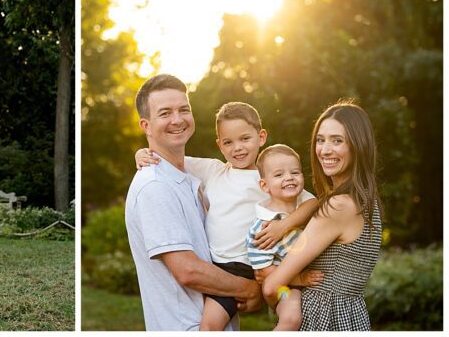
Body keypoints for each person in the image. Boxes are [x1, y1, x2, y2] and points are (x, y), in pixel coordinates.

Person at [134, 102, 320, 330]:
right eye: (228, 142)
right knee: (210, 327)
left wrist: (284, 226)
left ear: (261, 137)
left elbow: (311, 203)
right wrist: (142, 153)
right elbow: (168, 159)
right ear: (219, 145)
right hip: (222, 270)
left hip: (263, 268)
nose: (237, 148)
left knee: (291, 318)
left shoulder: (272, 178)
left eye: (245, 139)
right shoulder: (214, 170)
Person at [124, 74, 262, 331]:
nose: (177, 120)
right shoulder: (155, 186)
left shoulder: (188, 176)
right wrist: (251, 289)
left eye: (183, 109)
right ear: (145, 125)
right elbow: (187, 270)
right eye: (165, 113)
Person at [263, 101, 383, 331]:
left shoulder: (338, 206)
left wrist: (277, 304)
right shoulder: (367, 201)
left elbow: (272, 286)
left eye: (337, 140)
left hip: (322, 318)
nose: (325, 150)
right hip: (351, 317)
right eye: (321, 140)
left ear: (358, 145)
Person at [245, 144, 315, 330]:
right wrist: (301, 279)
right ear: (264, 185)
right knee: (291, 319)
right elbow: (264, 272)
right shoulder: (261, 229)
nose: (289, 178)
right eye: (279, 175)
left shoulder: (304, 204)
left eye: (295, 172)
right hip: (285, 286)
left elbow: (315, 203)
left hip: (307, 277)